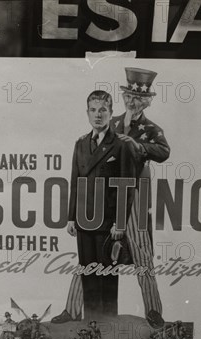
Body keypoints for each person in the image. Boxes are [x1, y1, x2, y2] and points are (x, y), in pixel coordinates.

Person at [52, 68, 170, 324]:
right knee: (90, 254)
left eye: (138, 98)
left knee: (141, 251)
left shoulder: (151, 128)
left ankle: (153, 310)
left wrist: (137, 145)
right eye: (129, 96)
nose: (132, 101)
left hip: (134, 194)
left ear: (147, 100)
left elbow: (163, 151)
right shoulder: (111, 121)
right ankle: (72, 310)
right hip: (104, 198)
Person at [67, 90, 137, 319]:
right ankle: (91, 325)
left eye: (103, 110)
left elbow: (127, 186)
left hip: (108, 224)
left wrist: (120, 223)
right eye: (93, 110)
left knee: (107, 275)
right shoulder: (80, 144)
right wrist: (71, 217)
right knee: (88, 274)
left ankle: (108, 328)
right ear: (87, 113)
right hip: (85, 221)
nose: (98, 115)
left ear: (111, 113)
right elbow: (75, 183)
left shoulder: (120, 145)